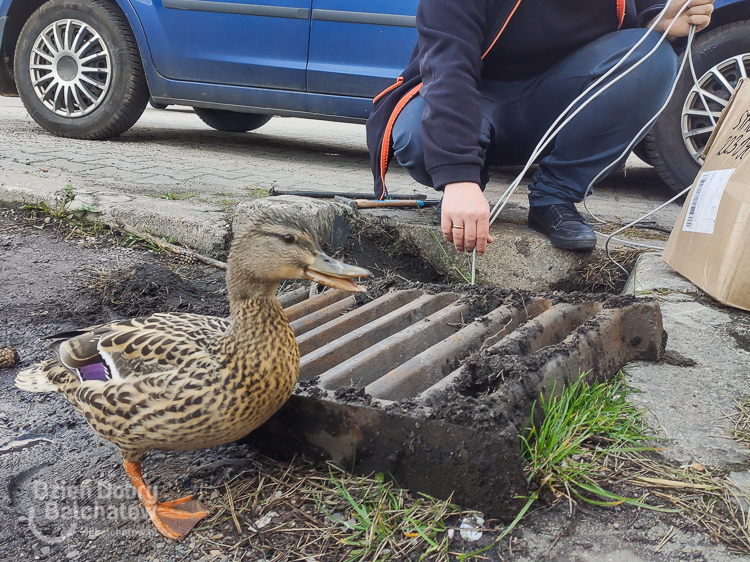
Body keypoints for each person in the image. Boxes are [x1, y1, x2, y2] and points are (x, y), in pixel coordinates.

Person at [366, 0, 714, 256]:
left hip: (551, 101)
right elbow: (447, 73)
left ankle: (555, 196)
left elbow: (631, 32)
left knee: (651, 56)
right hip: (477, 100)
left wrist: (659, 20)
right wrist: (459, 178)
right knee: (416, 137)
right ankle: (473, 186)